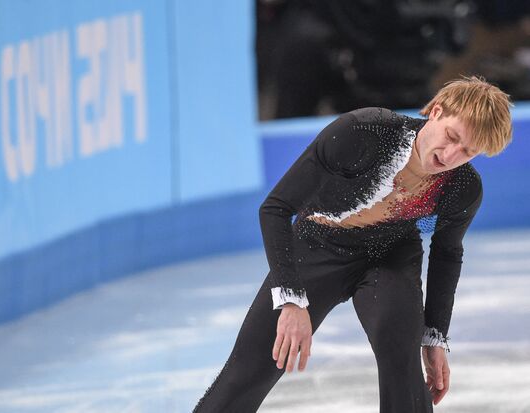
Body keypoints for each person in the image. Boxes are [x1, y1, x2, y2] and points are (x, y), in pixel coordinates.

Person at [193, 76, 513, 412]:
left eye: (469, 151)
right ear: (435, 112)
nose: (450, 156)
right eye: (452, 137)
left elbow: (447, 254)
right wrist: (290, 300)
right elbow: (275, 209)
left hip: (388, 255)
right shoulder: (364, 132)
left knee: (400, 356)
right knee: (247, 372)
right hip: (316, 246)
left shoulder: (462, 187)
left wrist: (434, 335)